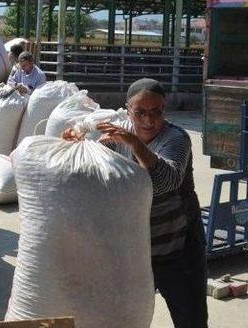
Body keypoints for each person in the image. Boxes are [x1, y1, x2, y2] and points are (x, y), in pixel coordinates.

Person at [62, 78, 208, 328]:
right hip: (135, 249)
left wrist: (134, 143)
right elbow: (97, 171)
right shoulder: (117, 135)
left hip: (178, 248)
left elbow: (165, 181)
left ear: (165, 109)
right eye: (140, 112)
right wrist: (78, 146)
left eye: (156, 112)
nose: (149, 121)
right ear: (128, 109)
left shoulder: (175, 139)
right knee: (125, 318)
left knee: (190, 319)